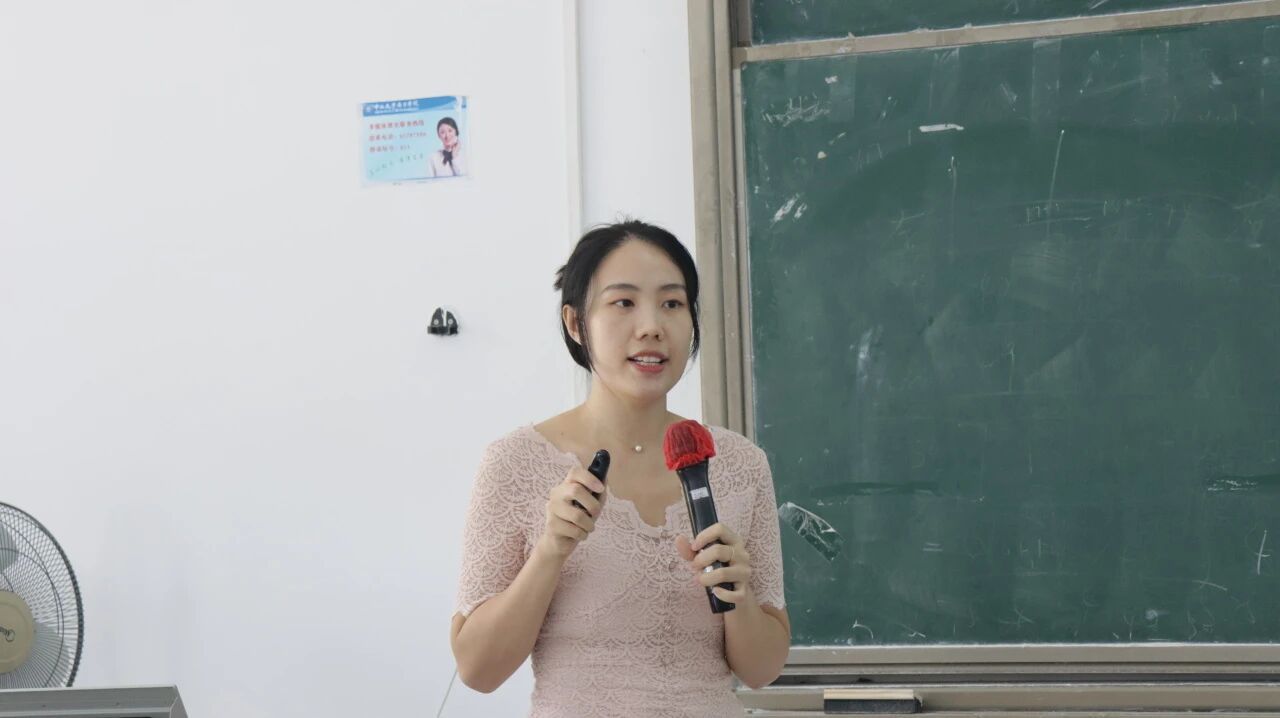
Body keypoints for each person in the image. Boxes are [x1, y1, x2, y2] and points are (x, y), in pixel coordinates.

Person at [450, 220, 790, 717]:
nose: (651, 326)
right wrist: (550, 550)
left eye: (672, 303)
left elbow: (763, 670)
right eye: (624, 302)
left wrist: (737, 596)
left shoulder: (740, 464)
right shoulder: (514, 462)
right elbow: (478, 670)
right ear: (575, 323)